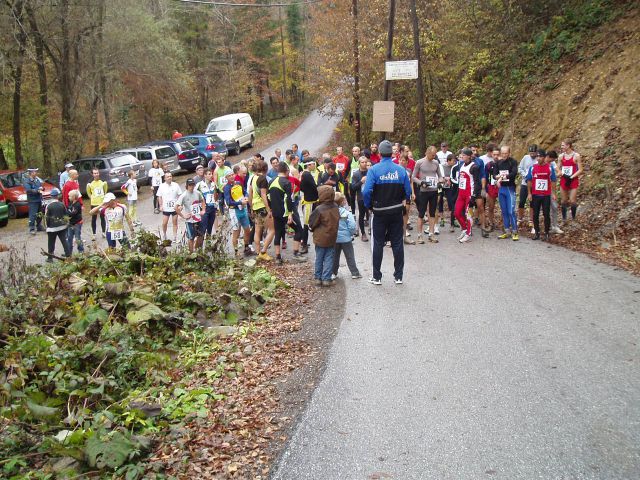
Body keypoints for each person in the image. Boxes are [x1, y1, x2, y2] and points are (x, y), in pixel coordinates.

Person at [362, 139, 412, 285]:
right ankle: (398, 276)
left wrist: (369, 206)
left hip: (379, 212)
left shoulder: (374, 170)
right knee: (397, 243)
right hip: (396, 211)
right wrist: (402, 199)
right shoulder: (401, 170)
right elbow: (408, 191)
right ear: (392, 153)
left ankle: (377, 277)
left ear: (379, 153)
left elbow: (366, 192)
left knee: (378, 244)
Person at [269, 163, 306, 263]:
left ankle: (278, 258)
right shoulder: (286, 182)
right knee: (299, 230)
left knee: (278, 232)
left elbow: (269, 198)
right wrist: (290, 213)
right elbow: (288, 199)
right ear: (286, 171)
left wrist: (270, 210)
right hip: (286, 213)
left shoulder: (271, 181)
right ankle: (296, 253)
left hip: (276, 213)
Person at [309, 185, 340, 286]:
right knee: (329, 258)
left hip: (320, 238)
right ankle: (326, 278)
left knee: (319, 257)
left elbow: (312, 223)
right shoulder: (336, 206)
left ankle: (318, 278)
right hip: (332, 236)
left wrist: (312, 228)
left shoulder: (319, 209)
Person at [412, 146, 443, 244]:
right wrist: (421, 183)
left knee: (432, 213)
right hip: (423, 191)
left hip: (433, 191)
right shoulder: (419, 162)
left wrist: (441, 181)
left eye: (435, 155)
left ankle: (431, 234)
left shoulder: (436, 163)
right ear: (427, 153)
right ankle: (419, 235)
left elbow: (440, 176)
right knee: (421, 213)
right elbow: (413, 177)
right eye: (432, 155)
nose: (434, 157)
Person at [526, 148, 557, 241]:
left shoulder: (549, 167)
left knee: (546, 214)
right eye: (537, 156)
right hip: (535, 194)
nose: (538, 158)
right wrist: (529, 193)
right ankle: (537, 232)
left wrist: (553, 193)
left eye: (540, 156)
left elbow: (553, 180)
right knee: (535, 214)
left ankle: (547, 232)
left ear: (544, 157)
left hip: (546, 195)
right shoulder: (533, 168)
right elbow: (529, 180)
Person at [332, 192, 361, 280]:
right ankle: (354, 273)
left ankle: (333, 273)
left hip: (335, 238)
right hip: (346, 239)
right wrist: (350, 233)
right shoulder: (347, 213)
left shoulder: (331, 213)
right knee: (349, 256)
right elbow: (352, 225)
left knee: (334, 257)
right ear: (342, 202)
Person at [249, 160, 275, 261]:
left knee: (257, 230)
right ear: (265, 169)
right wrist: (268, 209)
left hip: (255, 207)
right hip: (262, 207)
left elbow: (250, 193)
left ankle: (258, 252)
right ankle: (263, 252)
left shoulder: (253, 178)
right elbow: (264, 195)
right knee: (272, 229)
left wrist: (251, 207)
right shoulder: (263, 179)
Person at [492, 145, 519, 240]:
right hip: (501, 189)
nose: (504, 155)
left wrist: (502, 177)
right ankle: (507, 231)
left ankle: (515, 231)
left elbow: (514, 173)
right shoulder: (498, 163)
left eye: (505, 153)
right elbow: (494, 174)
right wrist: (497, 178)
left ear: (509, 153)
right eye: (502, 153)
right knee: (504, 211)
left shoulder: (513, 162)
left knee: (511, 211)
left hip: (510, 188)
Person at [454, 149, 481, 243]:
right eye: (461, 155)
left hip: (469, 194)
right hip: (461, 193)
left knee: (468, 215)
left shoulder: (474, 167)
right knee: (456, 213)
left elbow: (477, 183)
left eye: (464, 155)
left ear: (469, 156)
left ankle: (468, 234)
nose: (462, 156)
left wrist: (474, 196)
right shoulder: (461, 165)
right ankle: (464, 229)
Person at [224, 171, 253, 257]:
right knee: (236, 232)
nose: (232, 177)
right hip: (234, 211)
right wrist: (240, 202)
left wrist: (246, 197)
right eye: (229, 176)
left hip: (243, 210)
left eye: (232, 175)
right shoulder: (226, 188)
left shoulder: (239, 183)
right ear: (226, 178)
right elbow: (229, 202)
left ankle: (246, 248)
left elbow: (245, 192)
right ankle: (236, 252)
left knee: (247, 230)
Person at [176, 178, 206, 252]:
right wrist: (183, 216)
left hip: (198, 218)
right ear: (187, 186)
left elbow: (202, 200)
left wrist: (203, 210)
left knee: (201, 235)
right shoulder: (184, 195)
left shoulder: (197, 193)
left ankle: (198, 250)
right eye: (190, 185)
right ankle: (191, 253)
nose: (191, 186)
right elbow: (176, 207)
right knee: (191, 237)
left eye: (193, 185)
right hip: (190, 220)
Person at [559, 139, 583, 222]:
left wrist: (572, 177)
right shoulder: (561, 156)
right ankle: (564, 218)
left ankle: (573, 218)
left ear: (568, 145)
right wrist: (562, 174)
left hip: (573, 179)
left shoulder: (576, 156)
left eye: (563, 145)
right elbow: (558, 169)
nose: (561, 147)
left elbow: (580, 169)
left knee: (572, 200)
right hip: (564, 179)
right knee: (564, 200)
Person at [44, 188, 71, 261]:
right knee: (64, 241)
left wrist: (47, 227)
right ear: (57, 196)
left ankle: (50, 257)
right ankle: (68, 255)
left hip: (52, 228)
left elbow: (46, 218)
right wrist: (66, 224)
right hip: (62, 226)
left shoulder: (48, 206)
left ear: (51, 196)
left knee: (51, 243)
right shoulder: (62, 204)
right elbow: (66, 215)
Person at [300, 157, 320, 252]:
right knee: (307, 224)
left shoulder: (305, 174)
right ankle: (304, 245)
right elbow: (314, 187)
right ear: (309, 165)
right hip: (309, 203)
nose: (314, 166)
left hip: (310, 201)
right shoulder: (307, 175)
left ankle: (306, 243)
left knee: (310, 224)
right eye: (313, 164)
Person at [157, 172, 182, 242]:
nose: (169, 178)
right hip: (166, 208)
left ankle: (175, 237)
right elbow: (159, 196)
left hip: (174, 207)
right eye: (167, 177)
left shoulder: (176, 185)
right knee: (164, 223)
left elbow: (180, 195)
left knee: (175, 222)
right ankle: (164, 235)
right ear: (164, 178)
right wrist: (161, 205)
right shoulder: (161, 186)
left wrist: (180, 205)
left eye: (170, 176)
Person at [518, 145, 538, 230]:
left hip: (535, 183)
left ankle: (531, 220)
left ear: (536, 152)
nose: (532, 154)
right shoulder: (526, 158)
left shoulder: (538, 159)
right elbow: (520, 168)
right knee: (521, 201)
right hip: (524, 183)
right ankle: (520, 218)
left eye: (533, 153)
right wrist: (524, 175)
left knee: (532, 203)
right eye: (531, 153)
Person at [350, 156, 370, 241]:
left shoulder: (370, 172)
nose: (364, 164)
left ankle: (372, 230)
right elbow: (353, 187)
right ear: (359, 163)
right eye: (362, 162)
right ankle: (363, 233)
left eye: (365, 162)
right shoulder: (356, 174)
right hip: (361, 198)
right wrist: (361, 181)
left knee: (371, 214)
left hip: (370, 196)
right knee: (361, 215)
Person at [86, 168, 108, 239]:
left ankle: (103, 232)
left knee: (102, 218)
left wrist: (103, 200)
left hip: (101, 203)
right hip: (94, 203)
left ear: (99, 173)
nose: (96, 174)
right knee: (94, 218)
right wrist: (92, 198)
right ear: (92, 174)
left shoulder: (103, 183)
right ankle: (94, 234)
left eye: (97, 173)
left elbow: (105, 191)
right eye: (94, 173)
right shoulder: (90, 184)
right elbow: (89, 193)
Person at [196, 168, 218, 238]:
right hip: (205, 209)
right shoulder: (199, 185)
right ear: (205, 175)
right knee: (203, 228)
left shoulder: (214, 184)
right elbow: (195, 195)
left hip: (212, 208)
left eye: (211, 174)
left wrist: (216, 203)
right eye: (209, 174)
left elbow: (216, 195)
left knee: (210, 228)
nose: (211, 175)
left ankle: (208, 243)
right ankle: (200, 245)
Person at [546, 150, 564, 235]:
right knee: (545, 208)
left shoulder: (552, 164)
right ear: (548, 157)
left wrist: (552, 175)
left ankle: (555, 226)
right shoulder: (540, 162)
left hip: (551, 188)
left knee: (554, 207)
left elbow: (559, 172)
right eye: (551, 159)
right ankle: (548, 226)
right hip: (541, 189)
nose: (552, 161)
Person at [23, 167, 45, 235]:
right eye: (34, 172)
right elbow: (28, 190)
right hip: (32, 200)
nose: (36, 173)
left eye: (36, 171)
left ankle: (39, 226)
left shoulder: (37, 179)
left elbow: (41, 187)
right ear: (31, 173)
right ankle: (31, 228)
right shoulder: (27, 181)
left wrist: (42, 188)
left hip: (39, 199)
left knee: (40, 214)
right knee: (33, 215)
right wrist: (37, 190)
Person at [484, 146, 500, 232]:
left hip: (502, 187)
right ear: (491, 155)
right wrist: (486, 190)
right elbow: (485, 178)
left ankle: (506, 225)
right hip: (491, 187)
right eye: (494, 154)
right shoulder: (488, 165)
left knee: (504, 207)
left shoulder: (502, 164)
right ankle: (491, 223)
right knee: (491, 207)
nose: (496, 156)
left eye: (497, 154)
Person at [442, 153, 459, 232]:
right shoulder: (443, 166)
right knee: (440, 202)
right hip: (442, 187)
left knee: (452, 205)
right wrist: (445, 178)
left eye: (455, 160)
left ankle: (454, 221)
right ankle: (442, 219)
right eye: (453, 161)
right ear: (448, 161)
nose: (454, 162)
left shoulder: (457, 167)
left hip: (452, 188)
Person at [66, 189, 84, 255]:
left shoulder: (77, 204)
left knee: (77, 237)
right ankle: (68, 252)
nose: (68, 197)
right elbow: (68, 210)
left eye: (70, 196)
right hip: (71, 223)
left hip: (77, 223)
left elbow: (73, 213)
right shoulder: (70, 203)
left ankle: (81, 251)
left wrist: (67, 212)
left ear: (74, 197)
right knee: (69, 238)